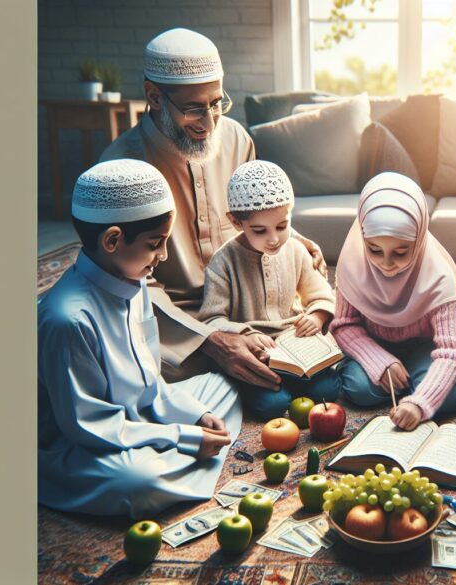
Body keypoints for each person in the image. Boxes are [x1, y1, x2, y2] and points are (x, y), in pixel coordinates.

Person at [100, 27, 326, 389]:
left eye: (217, 103)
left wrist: (294, 238)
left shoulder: (235, 138)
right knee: (132, 366)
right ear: (154, 96)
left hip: (246, 304)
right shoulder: (122, 169)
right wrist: (211, 341)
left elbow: (256, 214)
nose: (209, 123)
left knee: (316, 333)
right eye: (193, 109)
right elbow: (131, 285)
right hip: (171, 318)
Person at [38, 160, 242, 518]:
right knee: (137, 484)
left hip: (138, 415)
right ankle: (170, 458)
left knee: (223, 386)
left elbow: (151, 383)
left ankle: (172, 450)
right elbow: (89, 426)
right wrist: (181, 436)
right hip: (82, 442)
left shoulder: (135, 279)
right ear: (112, 240)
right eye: (155, 244)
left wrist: (197, 415)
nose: (163, 256)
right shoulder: (67, 319)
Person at [197, 160, 340, 420]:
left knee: (329, 390)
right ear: (235, 221)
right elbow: (211, 319)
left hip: (297, 346)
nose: (274, 239)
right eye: (260, 231)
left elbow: (321, 294)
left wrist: (317, 316)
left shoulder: (295, 249)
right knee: (272, 405)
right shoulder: (223, 262)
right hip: (258, 354)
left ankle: (297, 384)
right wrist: (245, 334)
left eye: (282, 226)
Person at [331, 172, 456, 430]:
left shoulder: (437, 277)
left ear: (418, 241)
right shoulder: (352, 266)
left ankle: (416, 382)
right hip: (374, 343)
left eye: (401, 252)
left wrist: (420, 403)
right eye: (374, 249)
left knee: (453, 397)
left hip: (424, 347)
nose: (386, 264)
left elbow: (450, 350)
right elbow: (343, 325)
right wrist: (379, 362)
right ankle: (410, 379)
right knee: (359, 390)